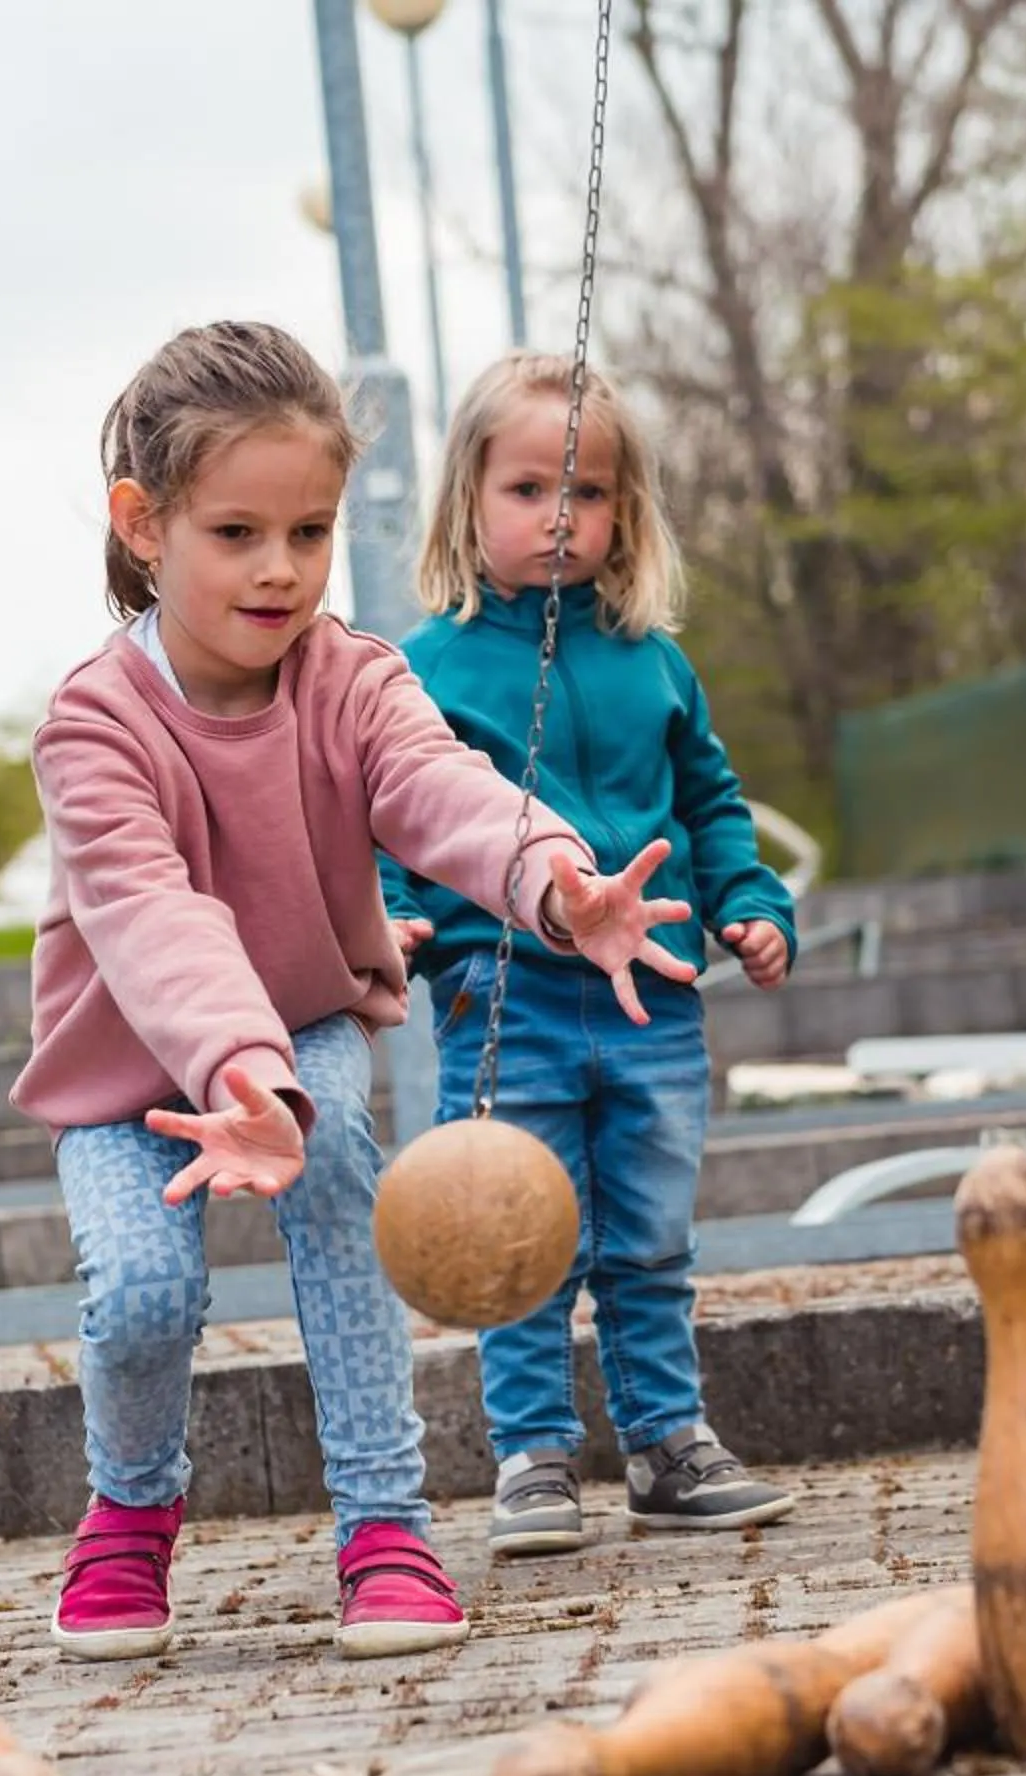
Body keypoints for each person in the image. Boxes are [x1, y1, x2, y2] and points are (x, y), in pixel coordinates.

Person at [11, 322, 700, 1659]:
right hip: (127, 1073)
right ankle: (131, 1509)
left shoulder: (355, 679)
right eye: (236, 533)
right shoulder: (93, 723)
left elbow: (443, 791)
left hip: (304, 1023)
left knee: (332, 1177)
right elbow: (154, 919)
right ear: (143, 525)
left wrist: (558, 878)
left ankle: (385, 1527)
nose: (280, 568)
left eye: (309, 531)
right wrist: (237, 1072)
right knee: (141, 1298)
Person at [384, 351, 803, 1557]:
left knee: (651, 1236)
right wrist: (390, 911)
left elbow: (711, 801)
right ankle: (532, 1457)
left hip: (654, 996)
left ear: (628, 509)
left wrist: (751, 898)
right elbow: (392, 810)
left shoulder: (654, 660)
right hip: (502, 996)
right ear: (468, 499)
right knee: (514, 1233)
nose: (560, 515)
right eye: (527, 489)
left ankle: (668, 1444)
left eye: (589, 491)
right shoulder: (427, 667)